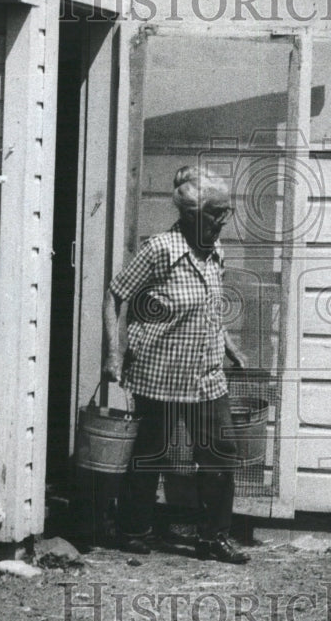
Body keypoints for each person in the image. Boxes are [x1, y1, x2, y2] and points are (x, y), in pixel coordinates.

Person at [102, 166, 250, 564]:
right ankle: (134, 529)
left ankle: (213, 538)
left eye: (226, 211)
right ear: (191, 215)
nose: (223, 220)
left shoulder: (216, 251)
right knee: (153, 452)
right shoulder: (160, 250)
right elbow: (115, 296)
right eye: (216, 212)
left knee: (220, 452)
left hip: (206, 374)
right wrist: (114, 353)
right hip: (159, 372)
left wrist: (229, 345)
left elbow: (209, 310)